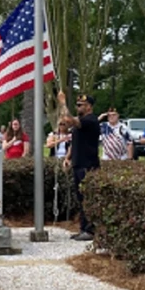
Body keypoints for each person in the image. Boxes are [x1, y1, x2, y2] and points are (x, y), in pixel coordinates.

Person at [58, 92, 101, 241]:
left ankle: (90, 230)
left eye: (80, 105)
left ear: (89, 107)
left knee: (87, 198)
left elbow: (69, 119)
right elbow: (74, 140)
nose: (78, 107)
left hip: (87, 165)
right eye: (77, 105)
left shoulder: (91, 120)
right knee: (81, 198)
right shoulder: (81, 122)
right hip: (78, 164)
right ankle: (83, 228)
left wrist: (63, 103)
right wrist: (68, 157)